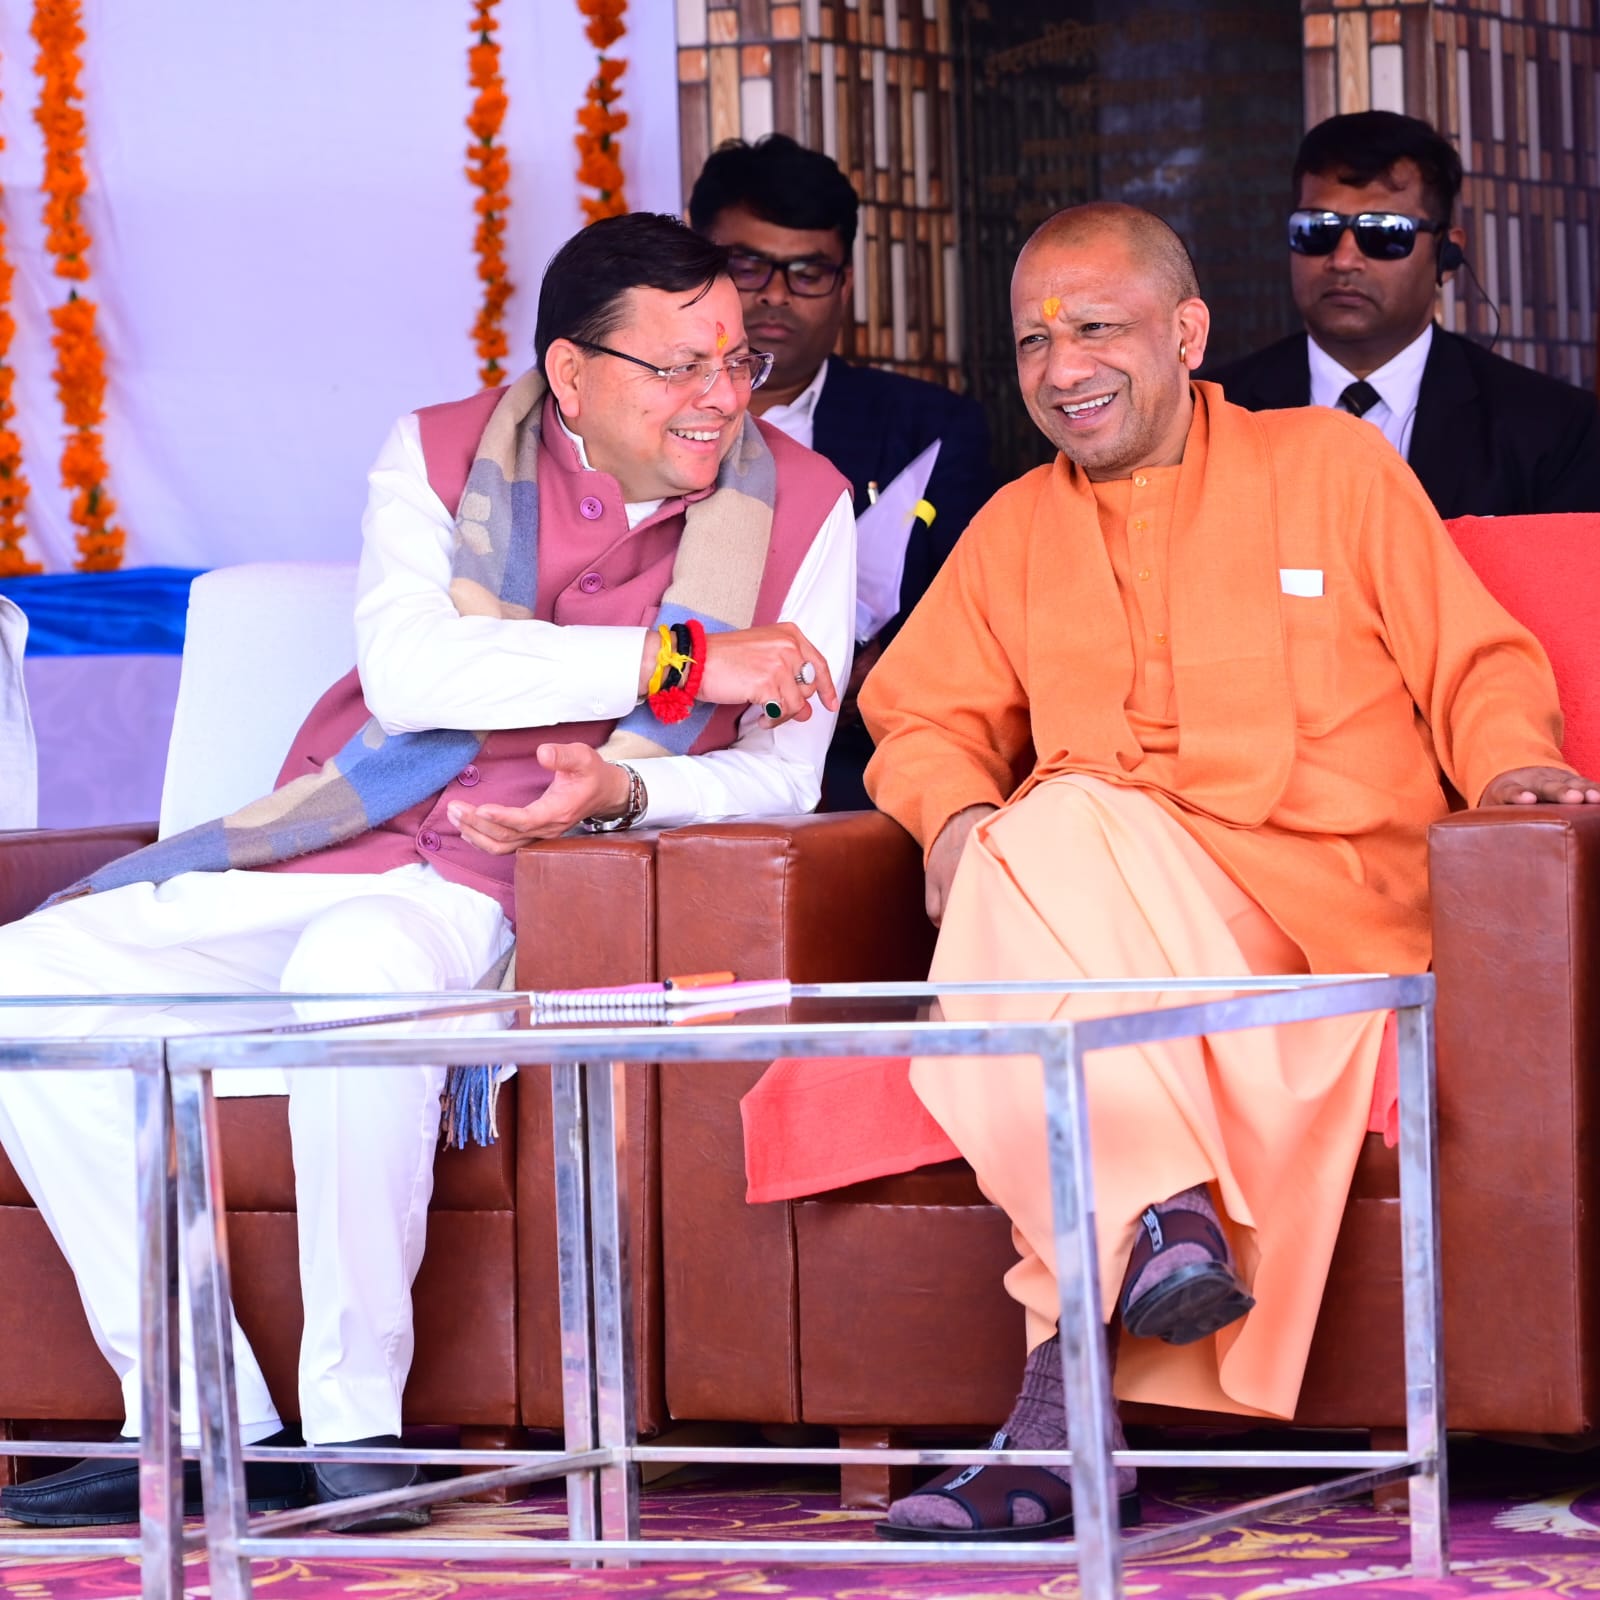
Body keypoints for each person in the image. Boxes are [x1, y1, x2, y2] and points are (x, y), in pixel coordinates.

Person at [740, 201, 1600, 1541]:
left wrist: (1514, 772)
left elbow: (1475, 661)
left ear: (1188, 334)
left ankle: (1073, 1376)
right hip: (1107, 911)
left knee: (1036, 847)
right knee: (1037, 835)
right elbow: (920, 720)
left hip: (1322, 908)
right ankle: (1140, 1251)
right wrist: (952, 819)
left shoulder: (1327, 463)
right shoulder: (1015, 526)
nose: (1063, 366)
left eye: (1097, 328)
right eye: (1034, 341)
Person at [0, 213, 855, 1532]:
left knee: (357, 969)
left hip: (522, 885)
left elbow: (782, 780)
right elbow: (415, 674)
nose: (722, 396)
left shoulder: (807, 504)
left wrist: (627, 790)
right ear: (572, 373)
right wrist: (681, 661)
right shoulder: (438, 451)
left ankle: (357, 1427)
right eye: (680, 365)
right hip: (335, 836)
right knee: (23, 983)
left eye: (736, 360)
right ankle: (196, 1410)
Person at [688, 133, 995, 808]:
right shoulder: (632, 411)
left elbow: (979, 621)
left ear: (845, 284)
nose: (776, 296)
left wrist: (895, 668)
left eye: (807, 273)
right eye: (747, 267)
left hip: (856, 770)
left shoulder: (930, 428)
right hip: (652, 744)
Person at [1207, 110, 1600, 518]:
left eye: (1384, 232)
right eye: (1317, 228)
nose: (1343, 260)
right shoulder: (1211, 414)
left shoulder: (1553, 428)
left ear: (1447, 255)